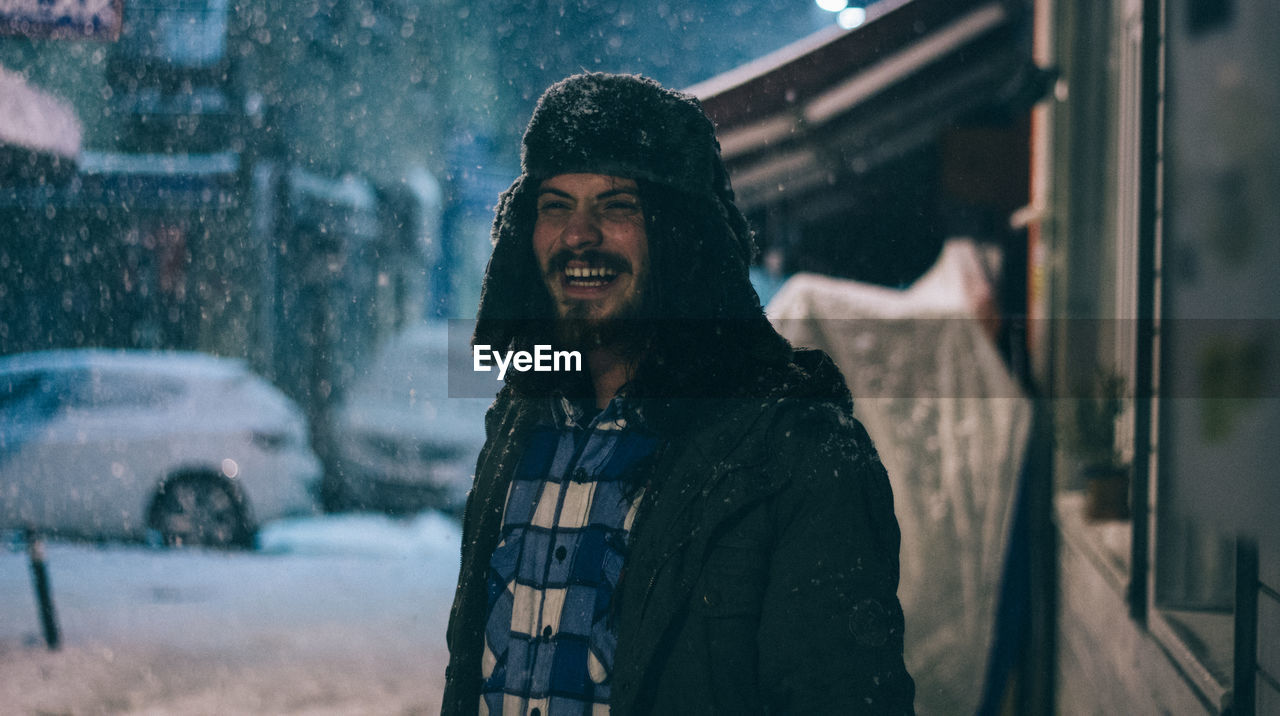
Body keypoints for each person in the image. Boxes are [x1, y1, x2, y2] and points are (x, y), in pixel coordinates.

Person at [443, 72, 914, 715]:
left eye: (616, 206)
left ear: (681, 239)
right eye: (555, 205)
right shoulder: (521, 428)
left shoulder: (796, 451)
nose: (578, 234)